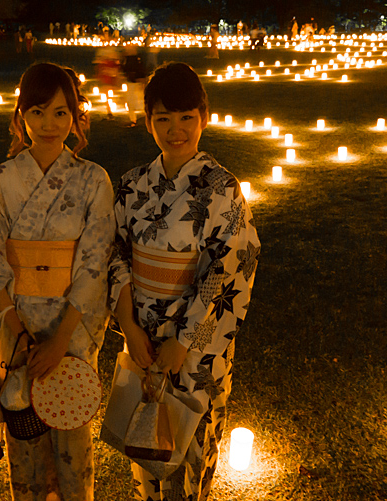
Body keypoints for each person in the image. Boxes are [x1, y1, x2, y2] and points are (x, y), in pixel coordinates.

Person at [108, 62, 261, 501]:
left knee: (189, 453)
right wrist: (129, 328)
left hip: (196, 348)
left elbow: (228, 271)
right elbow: (115, 256)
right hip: (141, 339)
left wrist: (186, 340)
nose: (176, 130)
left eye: (186, 117)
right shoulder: (133, 185)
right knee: (143, 445)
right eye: (163, 119)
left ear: (204, 117)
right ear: (148, 121)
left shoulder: (222, 189)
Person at [0, 63, 115, 501]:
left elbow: (94, 261)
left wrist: (60, 339)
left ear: (76, 116)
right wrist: (16, 329)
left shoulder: (93, 179)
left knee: (73, 440)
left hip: (73, 328)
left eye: (61, 113)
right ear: (20, 117)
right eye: (38, 112)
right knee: (23, 437)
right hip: (16, 329)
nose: (49, 125)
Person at [122, 46, 147, 127]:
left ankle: (135, 120)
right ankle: (135, 120)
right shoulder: (136, 60)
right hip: (134, 83)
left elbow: (128, 71)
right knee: (135, 103)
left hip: (135, 84)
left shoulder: (132, 61)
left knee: (135, 103)